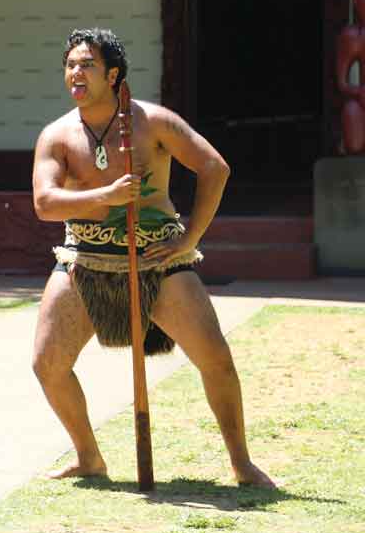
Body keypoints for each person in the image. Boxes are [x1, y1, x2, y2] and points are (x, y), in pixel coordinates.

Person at [30, 28, 274, 486]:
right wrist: (106, 195)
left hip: (158, 260)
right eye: (70, 65)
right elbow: (45, 203)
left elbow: (214, 167)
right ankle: (89, 457)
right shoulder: (57, 135)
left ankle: (242, 462)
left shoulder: (153, 122)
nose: (75, 74)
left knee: (216, 359)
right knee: (47, 363)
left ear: (113, 74)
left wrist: (189, 237)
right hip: (84, 258)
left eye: (87, 65)